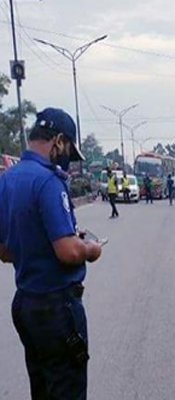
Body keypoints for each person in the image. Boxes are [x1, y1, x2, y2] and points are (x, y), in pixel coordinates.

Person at [0, 108, 103, 399]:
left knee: (43, 389)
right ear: (58, 140)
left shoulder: (7, 180)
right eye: (68, 150)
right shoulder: (48, 181)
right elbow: (68, 252)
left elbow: (5, 252)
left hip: (26, 306)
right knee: (67, 389)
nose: (67, 160)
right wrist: (90, 249)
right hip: (57, 309)